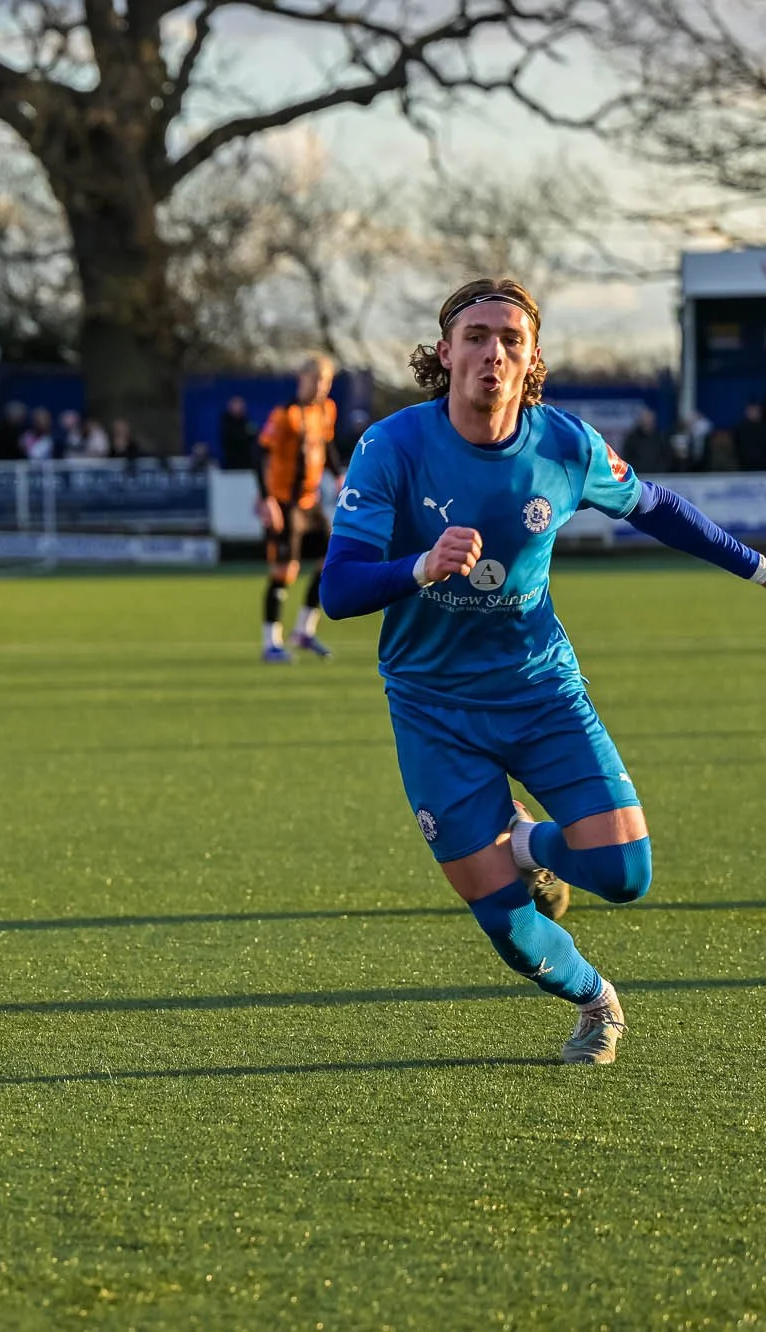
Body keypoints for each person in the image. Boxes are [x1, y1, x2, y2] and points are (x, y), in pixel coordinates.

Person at [319, 277, 766, 1065]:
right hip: (433, 707)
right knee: (506, 927)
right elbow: (339, 589)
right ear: (446, 351)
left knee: (625, 874)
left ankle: (525, 843)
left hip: (539, 690)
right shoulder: (393, 447)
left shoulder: (565, 444)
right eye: (477, 335)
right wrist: (420, 566)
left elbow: (655, 504)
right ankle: (596, 1002)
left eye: (512, 339)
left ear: (532, 361)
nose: (494, 351)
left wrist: (756, 567)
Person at [254, 354, 341, 663]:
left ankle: (304, 631)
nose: (321, 387)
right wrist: (267, 500)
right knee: (284, 572)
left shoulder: (326, 410)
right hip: (284, 503)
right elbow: (260, 454)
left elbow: (327, 446)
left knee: (330, 560)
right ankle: (270, 643)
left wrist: (338, 473)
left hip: (309, 502)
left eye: (326, 382)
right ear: (302, 380)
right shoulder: (285, 414)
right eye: (316, 380)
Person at [218, 397, 254, 470]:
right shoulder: (226, 422)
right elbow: (236, 437)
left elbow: (254, 434)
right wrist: (247, 435)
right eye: (237, 404)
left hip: (247, 463)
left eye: (242, 405)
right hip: (232, 463)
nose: (241, 407)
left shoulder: (245, 421)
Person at [733, 401, 766, 472]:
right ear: (746, 412)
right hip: (745, 465)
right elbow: (737, 446)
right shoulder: (741, 428)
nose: (753, 413)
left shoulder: (764, 427)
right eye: (750, 410)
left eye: (756, 410)